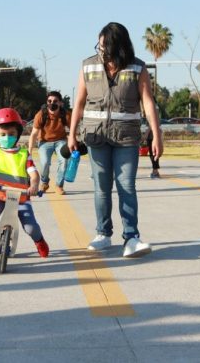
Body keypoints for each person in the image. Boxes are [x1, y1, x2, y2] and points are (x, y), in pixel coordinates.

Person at [67, 22, 163, 258]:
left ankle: (131, 237)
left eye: (106, 47)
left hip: (126, 136)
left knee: (126, 185)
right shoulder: (88, 66)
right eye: (100, 47)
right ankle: (103, 233)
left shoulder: (137, 67)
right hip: (95, 135)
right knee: (101, 187)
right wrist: (71, 134)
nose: (102, 52)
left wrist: (156, 135)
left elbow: (148, 103)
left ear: (119, 47)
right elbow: (78, 102)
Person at [0, 107, 50, 268]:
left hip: (22, 196)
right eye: (3, 134)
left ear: (17, 134)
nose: (7, 137)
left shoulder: (23, 153)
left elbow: (33, 173)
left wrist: (34, 186)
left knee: (30, 227)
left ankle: (39, 240)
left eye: (11, 134)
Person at [28, 91, 72, 195]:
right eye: (49, 101)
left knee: (64, 161)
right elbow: (34, 134)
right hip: (44, 142)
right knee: (44, 163)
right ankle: (44, 183)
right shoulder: (41, 115)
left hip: (60, 141)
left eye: (55, 101)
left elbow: (72, 130)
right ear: (47, 102)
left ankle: (59, 185)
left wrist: (72, 142)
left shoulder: (65, 114)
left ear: (60, 103)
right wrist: (29, 151)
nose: (52, 103)